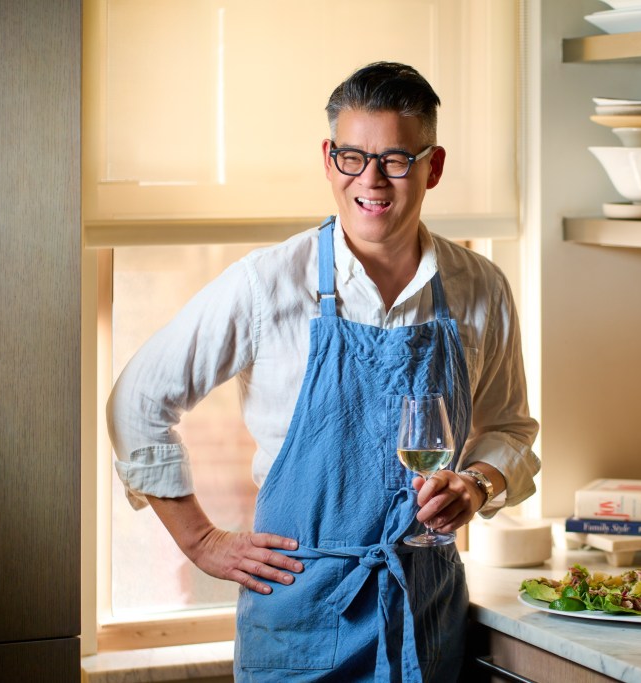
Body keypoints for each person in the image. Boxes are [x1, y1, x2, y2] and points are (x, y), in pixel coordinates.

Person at [107, 61, 540, 682]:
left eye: (396, 159)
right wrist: (200, 540)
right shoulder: (268, 284)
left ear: (433, 166)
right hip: (298, 622)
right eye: (352, 157)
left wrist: (476, 484)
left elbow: (510, 430)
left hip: (425, 616)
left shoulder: (480, 288)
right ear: (328, 159)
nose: (371, 180)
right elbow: (136, 402)